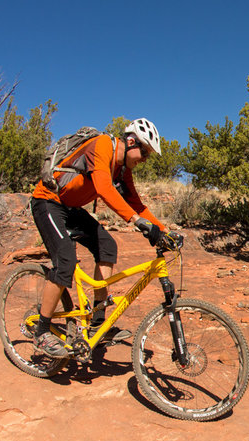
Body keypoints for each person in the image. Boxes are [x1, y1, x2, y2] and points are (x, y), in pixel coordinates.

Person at [30, 118, 169, 359]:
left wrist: (164, 232)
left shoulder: (123, 170)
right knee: (65, 261)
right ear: (131, 141)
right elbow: (105, 188)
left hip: (71, 208)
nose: (145, 159)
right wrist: (137, 222)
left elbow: (135, 203)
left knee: (107, 247)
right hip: (48, 202)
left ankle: (97, 324)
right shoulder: (103, 145)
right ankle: (41, 331)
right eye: (144, 152)